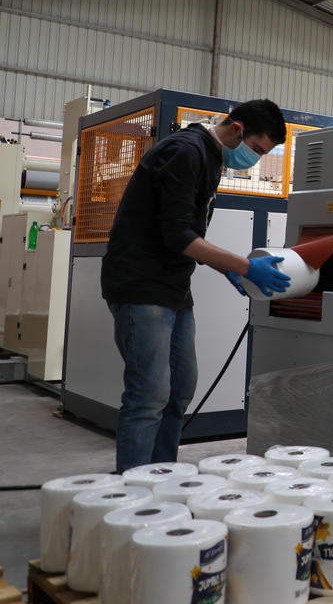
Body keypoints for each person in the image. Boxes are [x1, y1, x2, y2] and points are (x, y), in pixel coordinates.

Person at [101, 100, 292, 472]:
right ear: (236, 129)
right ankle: (134, 490)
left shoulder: (211, 158)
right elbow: (178, 235)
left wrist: (227, 269)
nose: (254, 159)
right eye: (256, 149)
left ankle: (162, 475)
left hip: (173, 287)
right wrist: (244, 266)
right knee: (149, 395)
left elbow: (186, 233)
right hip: (141, 285)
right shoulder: (186, 152)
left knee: (179, 390)